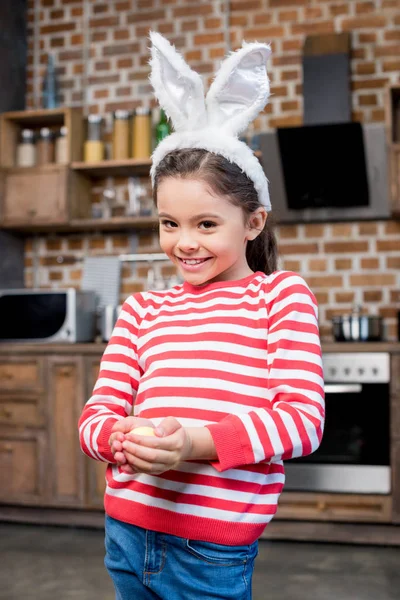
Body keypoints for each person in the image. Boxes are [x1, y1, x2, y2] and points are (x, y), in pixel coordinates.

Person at [78, 32, 325, 600]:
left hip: (209, 547)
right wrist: (121, 437)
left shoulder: (279, 297)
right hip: (126, 532)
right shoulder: (143, 310)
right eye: (170, 223)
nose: (184, 242)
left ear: (254, 223)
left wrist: (191, 443)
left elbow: (303, 421)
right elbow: (97, 415)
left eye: (206, 224)